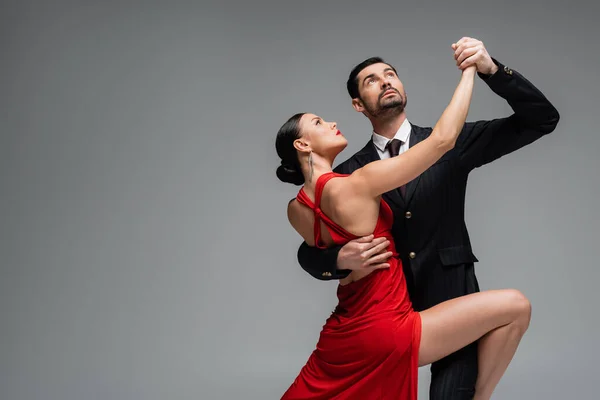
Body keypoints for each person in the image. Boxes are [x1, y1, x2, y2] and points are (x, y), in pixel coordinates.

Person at [296, 37, 560, 399]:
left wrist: (491, 71)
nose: (386, 81)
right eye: (372, 80)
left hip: (453, 297)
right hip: (384, 316)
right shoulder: (347, 175)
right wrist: (337, 260)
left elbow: (543, 119)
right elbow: (308, 249)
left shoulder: (454, 141)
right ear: (358, 104)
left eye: (391, 74)